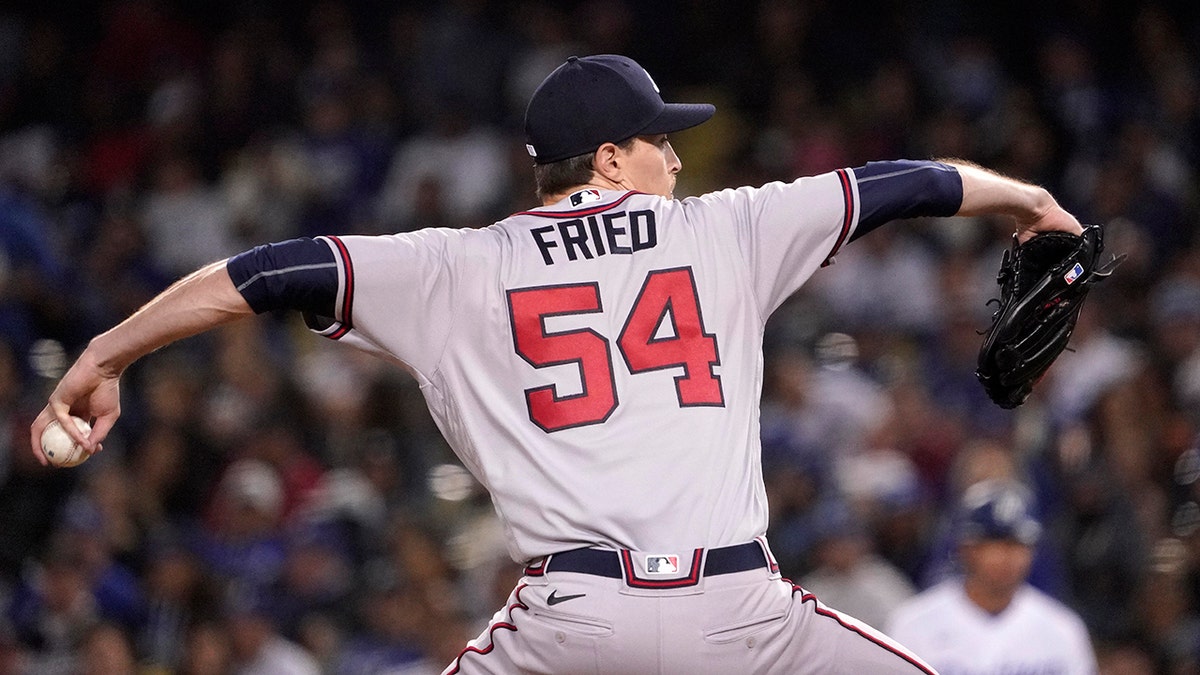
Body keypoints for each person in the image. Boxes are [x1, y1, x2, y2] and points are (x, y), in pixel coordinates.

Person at [32, 53, 1087, 674]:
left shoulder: (454, 265)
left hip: (570, 632)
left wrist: (106, 354)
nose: (678, 157)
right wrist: (1029, 203)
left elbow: (262, 270)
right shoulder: (732, 228)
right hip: (746, 624)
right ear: (614, 158)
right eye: (661, 141)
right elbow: (903, 183)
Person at [886, 480, 1097, 675]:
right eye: (996, 543)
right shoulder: (913, 624)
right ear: (967, 549)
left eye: (1018, 545)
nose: (1008, 557)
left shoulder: (1062, 629)